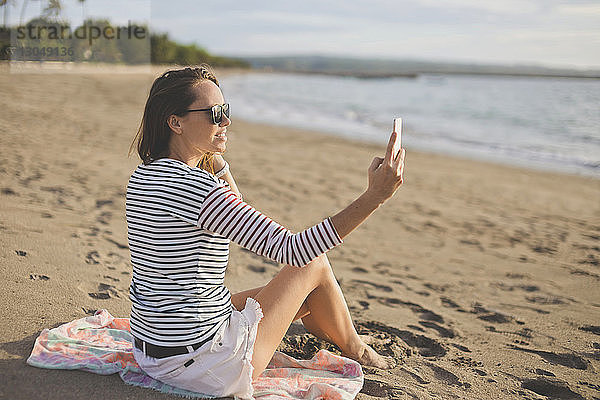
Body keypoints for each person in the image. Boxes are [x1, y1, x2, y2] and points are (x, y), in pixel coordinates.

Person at [126, 65, 406, 398]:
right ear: (175, 122)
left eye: (226, 111)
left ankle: (339, 335)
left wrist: (215, 160)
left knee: (302, 292)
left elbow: (232, 207)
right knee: (314, 265)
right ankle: (357, 350)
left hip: (153, 351)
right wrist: (375, 197)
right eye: (215, 114)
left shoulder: (144, 177)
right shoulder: (199, 190)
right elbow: (294, 250)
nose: (226, 121)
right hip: (204, 366)